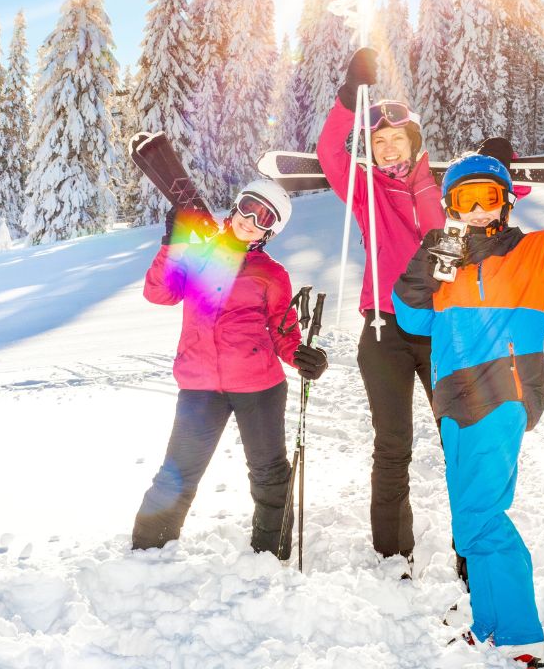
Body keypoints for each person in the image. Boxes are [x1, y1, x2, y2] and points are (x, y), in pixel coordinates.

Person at [391, 115, 544, 667]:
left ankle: (518, 638)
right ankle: (490, 627)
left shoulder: (530, 253)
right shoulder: (443, 264)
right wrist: (427, 263)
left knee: (484, 516)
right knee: (471, 519)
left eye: (487, 197)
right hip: (453, 398)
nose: (477, 210)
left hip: (502, 391)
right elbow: (411, 322)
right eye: (463, 201)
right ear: (450, 209)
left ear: (506, 200)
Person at [132, 179, 329, 557]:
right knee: (177, 472)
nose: (251, 219)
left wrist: (302, 357)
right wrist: (172, 242)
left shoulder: (272, 273)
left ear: (271, 230)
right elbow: (159, 293)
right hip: (199, 385)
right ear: (236, 205)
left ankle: (270, 554)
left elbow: (282, 330)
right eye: (248, 207)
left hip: (259, 386)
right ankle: (147, 551)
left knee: (269, 473)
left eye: (264, 216)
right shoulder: (199, 254)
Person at [314, 47, 444, 567]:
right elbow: (329, 151)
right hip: (383, 329)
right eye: (381, 142)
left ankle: (472, 547)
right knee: (393, 444)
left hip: (443, 328)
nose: (390, 150)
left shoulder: (443, 188)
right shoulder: (366, 189)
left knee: (459, 439)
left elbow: (497, 201)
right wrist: (348, 100)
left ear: (414, 143)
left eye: (398, 140)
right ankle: (393, 553)